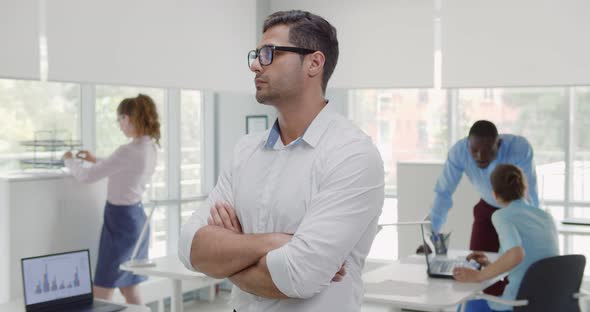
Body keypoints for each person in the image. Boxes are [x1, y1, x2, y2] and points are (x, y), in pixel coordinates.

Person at [178, 10, 384, 312]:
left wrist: (227, 257)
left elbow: (299, 275)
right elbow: (191, 247)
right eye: (257, 54)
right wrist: (274, 242)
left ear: (314, 63)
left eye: (269, 53)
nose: (255, 65)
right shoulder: (246, 150)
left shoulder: (352, 155)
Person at [62, 94, 160, 304]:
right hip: (136, 220)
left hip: (120, 223)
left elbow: (87, 176)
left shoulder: (128, 150)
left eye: (119, 119)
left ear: (128, 118)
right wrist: (94, 158)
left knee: (101, 292)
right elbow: (125, 167)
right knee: (129, 288)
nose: (119, 125)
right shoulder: (149, 147)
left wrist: (69, 160)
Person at [429, 120, 539, 295]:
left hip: (518, 211)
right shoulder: (458, 152)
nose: (481, 156)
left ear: (499, 143)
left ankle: (503, 304)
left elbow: (529, 192)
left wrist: (530, 227)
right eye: (474, 150)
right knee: (476, 265)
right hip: (487, 209)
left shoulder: (519, 148)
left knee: (515, 269)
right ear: (467, 145)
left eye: (488, 150)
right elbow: (443, 193)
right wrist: (431, 234)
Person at [453, 164, 559, 312]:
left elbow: (516, 254)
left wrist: (479, 276)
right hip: (548, 302)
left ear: (494, 194)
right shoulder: (546, 217)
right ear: (524, 189)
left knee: (466, 304)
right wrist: (490, 265)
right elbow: (528, 262)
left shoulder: (502, 216)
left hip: (520, 303)